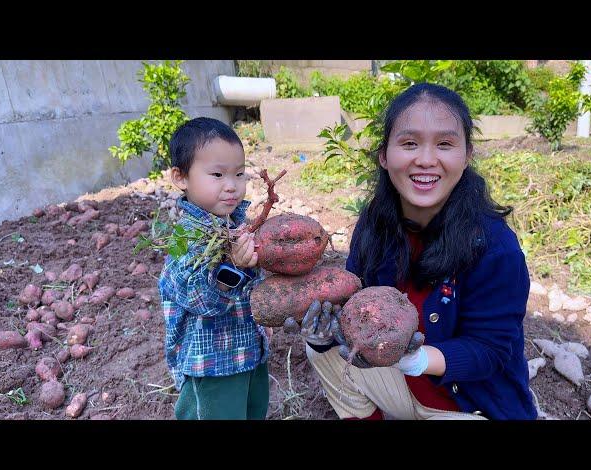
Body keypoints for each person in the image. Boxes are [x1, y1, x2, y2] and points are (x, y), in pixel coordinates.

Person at [294, 83, 537, 420]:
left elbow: (491, 350)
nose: (425, 160)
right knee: (323, 353)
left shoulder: (495, 247)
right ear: (384, 155)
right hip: (401, 386)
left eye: (445, 144)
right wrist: (327, 334)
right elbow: (353, 305)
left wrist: (419, 359)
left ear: (467, 156)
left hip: (469, 406)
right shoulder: (374, 223)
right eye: (409, 143)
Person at [158, 117, 271, 420]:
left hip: (250, 353)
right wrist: (231, 265)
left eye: (239, 174)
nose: (232, 186)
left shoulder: (239, 225)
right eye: (218, 174)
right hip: (211, 366)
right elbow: (199, 300)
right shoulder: (186, 237)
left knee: (254, 412)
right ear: (180, 178)